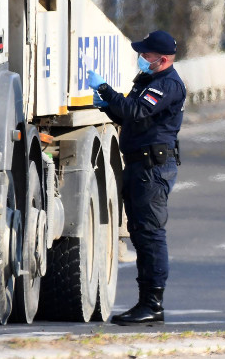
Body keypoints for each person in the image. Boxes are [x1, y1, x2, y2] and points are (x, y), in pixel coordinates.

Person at [87, 30, 186, 326]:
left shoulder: (167, 84)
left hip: (152, 168)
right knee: (141, 234)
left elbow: (138, 110)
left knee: (150, 234)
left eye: (147, 55)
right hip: (139, 165)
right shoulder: (148, 80)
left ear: (163, 59)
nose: (141, 59)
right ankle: (146, 302)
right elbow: (131, 116)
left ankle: (152, 303)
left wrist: (106, 90)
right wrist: (109, 107)